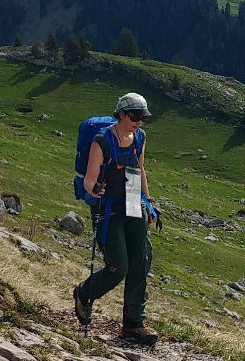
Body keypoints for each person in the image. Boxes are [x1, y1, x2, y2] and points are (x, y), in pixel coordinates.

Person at [73, 92, 158, 345]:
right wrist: (94, 190)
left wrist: (148, 203)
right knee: (117, 267)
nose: (139, 122)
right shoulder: (103, 141)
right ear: (121, 114)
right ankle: (85, 292)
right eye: (134, 116)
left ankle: (133, 325)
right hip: (108, 209)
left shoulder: (140, 137)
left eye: (142, 117)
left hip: (134, 203)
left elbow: (140, 168)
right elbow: (89, 180)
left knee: (141, 261)